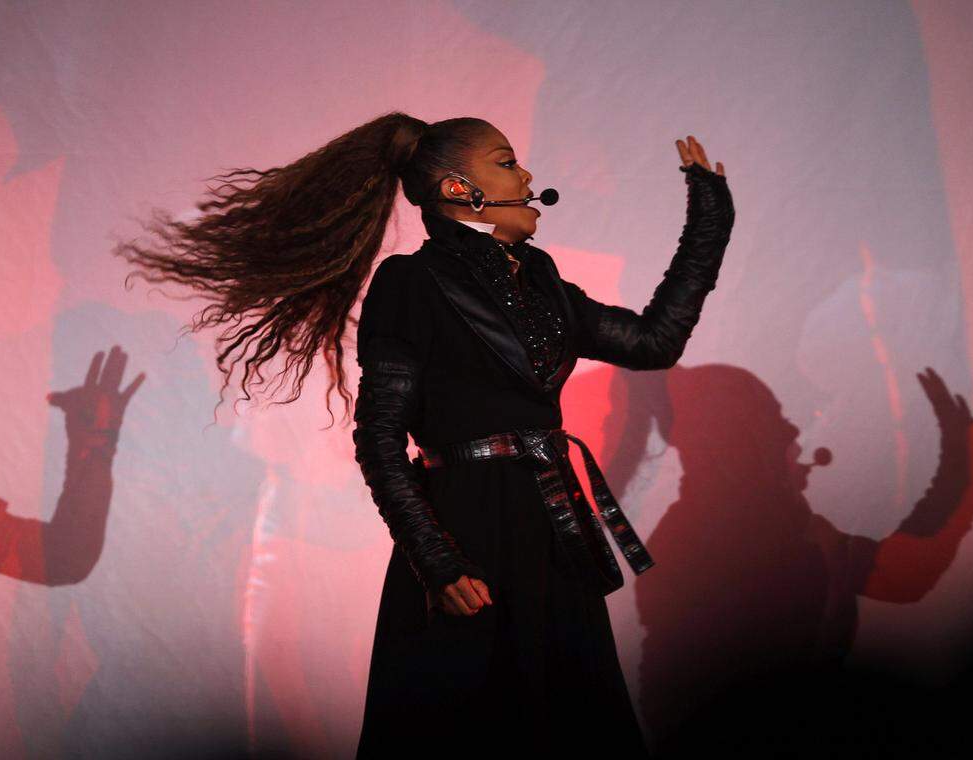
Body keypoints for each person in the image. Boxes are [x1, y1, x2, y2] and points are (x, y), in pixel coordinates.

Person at [113, 112, 734, 758]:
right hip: (466, 539)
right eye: (506, 161)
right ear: (457, 189)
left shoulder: (544, 279)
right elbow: (379, 439)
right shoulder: (410, 283)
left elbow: (654, 341)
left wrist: (709, 221)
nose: (525, 176)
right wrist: (436, 563)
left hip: (554, 536)